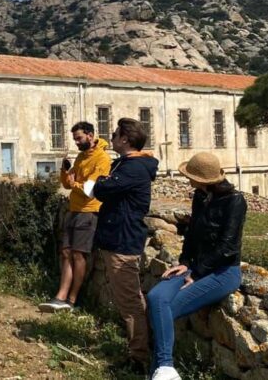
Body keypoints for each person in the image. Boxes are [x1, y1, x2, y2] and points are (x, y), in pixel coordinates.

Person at [147, 152, 246, 380]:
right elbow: (192, 235)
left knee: (165, 311)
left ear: (202, 179)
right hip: (194, 267)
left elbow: (228, 247)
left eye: (190, 176)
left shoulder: (235, 201)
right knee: (155, 298)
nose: (187, 179)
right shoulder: (200, 197)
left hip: (223, 272)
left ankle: (161, 370)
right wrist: (184, 263)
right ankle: (164, 369)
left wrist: (198, 273)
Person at [92, 118, 159, 373]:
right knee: (127, 300)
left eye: (116, 133)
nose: (112, 135)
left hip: (123, 240)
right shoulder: (127, 164)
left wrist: (101, 182)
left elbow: (102, 188)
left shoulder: (133, 169)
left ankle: (139, 359)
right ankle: (137, 351)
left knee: (130, 302)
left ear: (125, 139)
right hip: (117, 237)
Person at [39, 122, 111, 312]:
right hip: (74, 209)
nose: (77, 143)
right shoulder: (80, 157)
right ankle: (60, 296)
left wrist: (76, 183)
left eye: (79, 138)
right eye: (75, 139)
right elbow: (67, 185)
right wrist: (65, 171)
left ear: (90, 135)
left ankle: (71, 300)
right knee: (66, 253)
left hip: (89, 211)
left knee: (78, 254)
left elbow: (92, 189)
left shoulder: (102, 159)